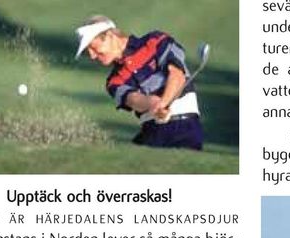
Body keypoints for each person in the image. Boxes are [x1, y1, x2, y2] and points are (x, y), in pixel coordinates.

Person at [73, 15, 203, 150]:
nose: (92, 56)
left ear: (110, 36)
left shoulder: (156, 41)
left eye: (93, 47)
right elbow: (134, 100)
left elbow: (177, 76)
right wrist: (154, 104)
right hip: (151, 130)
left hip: (184, 127)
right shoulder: (114, 81)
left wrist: (163, 103)